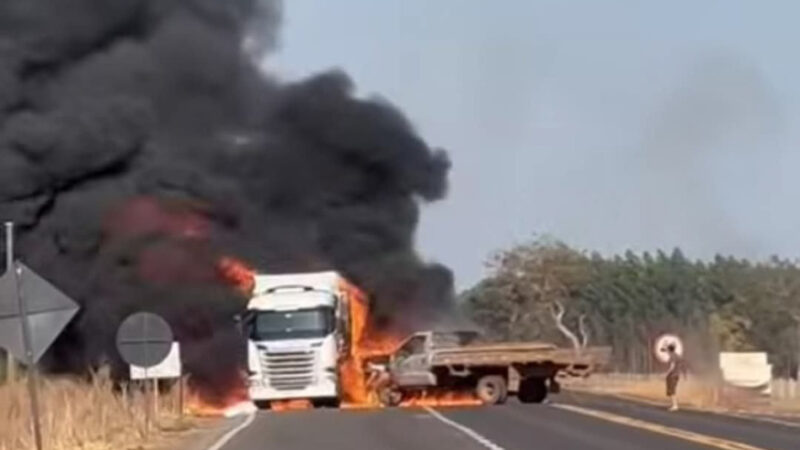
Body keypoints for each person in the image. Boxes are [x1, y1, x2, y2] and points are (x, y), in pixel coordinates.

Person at [664, 343, 685, 411]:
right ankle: (674, 404)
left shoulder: (672, 356)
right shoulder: (678, 356)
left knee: (671, 390)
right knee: (673, 390)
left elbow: (672, 366)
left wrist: (667, 373)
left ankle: (674, 405)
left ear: (669, 350)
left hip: (672, 375)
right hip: (677, 374)